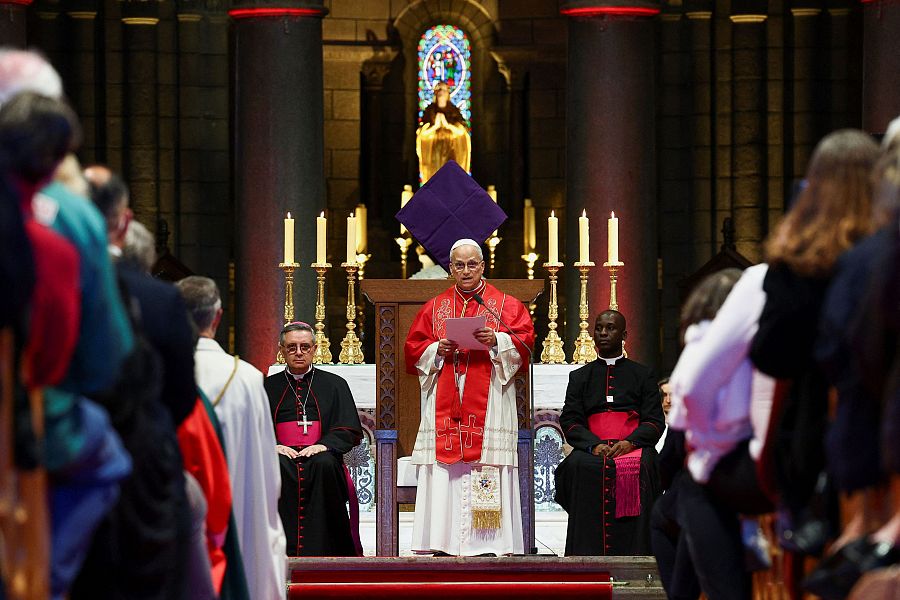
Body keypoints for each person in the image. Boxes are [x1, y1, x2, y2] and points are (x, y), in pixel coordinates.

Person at [404, 238, 534, 556]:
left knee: (486, 462)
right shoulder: (434, 307)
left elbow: (525, 343)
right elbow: (413, 349)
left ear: (483, 266)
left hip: (490, 399)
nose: (466, 270)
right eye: (459, 265)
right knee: (446, 468)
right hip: (446, 397)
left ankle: (489, 541)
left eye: (472, 264)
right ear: (451, 269)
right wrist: (438, 348)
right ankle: (442, 540)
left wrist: (497, 341)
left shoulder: (504, 305)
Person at [177, 276, 286, 600]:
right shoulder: (248, 378)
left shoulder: (162, 371)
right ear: (218, 316)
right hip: (240, 512)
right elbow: (268, 472)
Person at [554, 309, 664, 556]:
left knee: (646, 464)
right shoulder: (580, 377)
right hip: (594, 447)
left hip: (631, 446)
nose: (603, 333)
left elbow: (655, 421)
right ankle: (584, 552)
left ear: (624, 334)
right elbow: (570, 420)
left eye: (610, 328)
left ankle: (639, 554)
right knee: (577, 466)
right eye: (599, 328)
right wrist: (593, 445)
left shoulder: (642, 374)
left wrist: (630, 443)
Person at [263, 321, 364, 556]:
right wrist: (272, 446)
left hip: (322, 454)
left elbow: (349, 428)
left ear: (314, 349)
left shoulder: (335, 384)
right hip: (281, 454)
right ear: (282, 350)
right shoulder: (267, 386)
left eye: (305, 347)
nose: (299, 352)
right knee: (276, 465)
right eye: (292, 347)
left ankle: (326, 549)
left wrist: (323, 445)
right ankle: (279, 551)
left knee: (324, 464)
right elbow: (256, 427)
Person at [416, 80, 471, 183]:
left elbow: (462, 132)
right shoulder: (430, 111)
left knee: (450, 178)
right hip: (434, 150)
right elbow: (422, 134)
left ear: (448, 93)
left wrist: (448, 125)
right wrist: (435, 126)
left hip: (451, 148)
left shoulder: (454, 111)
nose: (441, 92)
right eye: (438, 90)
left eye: (444, 90)